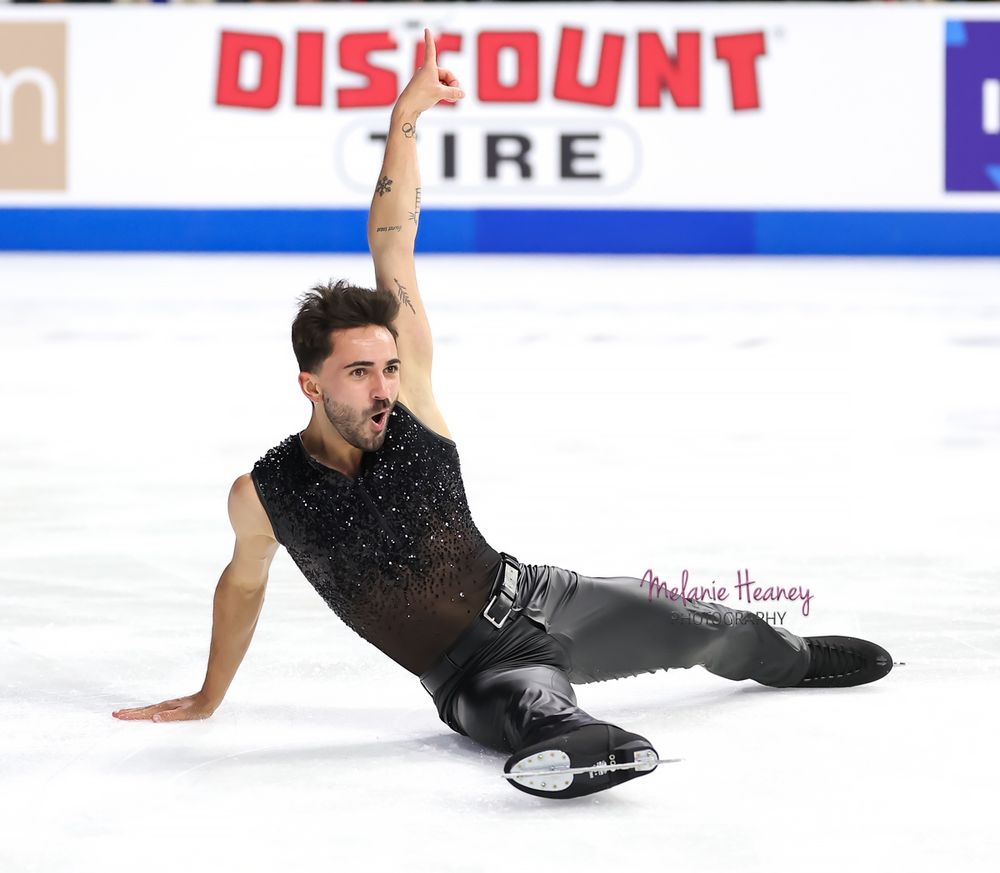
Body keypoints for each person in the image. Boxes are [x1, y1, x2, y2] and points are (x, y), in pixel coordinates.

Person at [112, 28, 894, 800]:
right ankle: (578, 744)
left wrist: (404, 122)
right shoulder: (267, 493)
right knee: (530, 709)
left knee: (718, 627)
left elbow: (394, 240)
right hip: (472, 670)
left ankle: (791, 657)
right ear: (310, 385)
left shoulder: (410, 395)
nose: (383, 386)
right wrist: (210, 693)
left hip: (544, 595)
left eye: (387, 366)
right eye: (359, 373)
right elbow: (243, 584)